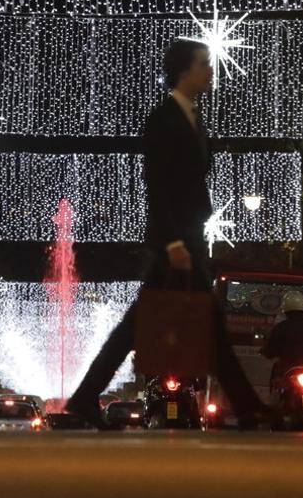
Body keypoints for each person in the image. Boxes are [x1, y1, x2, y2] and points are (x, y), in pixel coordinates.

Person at [66, 38, 269, 429]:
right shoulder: (163, 119)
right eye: (204, 64)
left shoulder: (193, 116)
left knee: (152, 325)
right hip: (174, 241)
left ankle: (84, 397)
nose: (211, 71)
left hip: (186, 235)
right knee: (194, 323)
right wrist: (174, 240)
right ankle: (247, 406)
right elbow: (158, 185)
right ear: (184, 71)